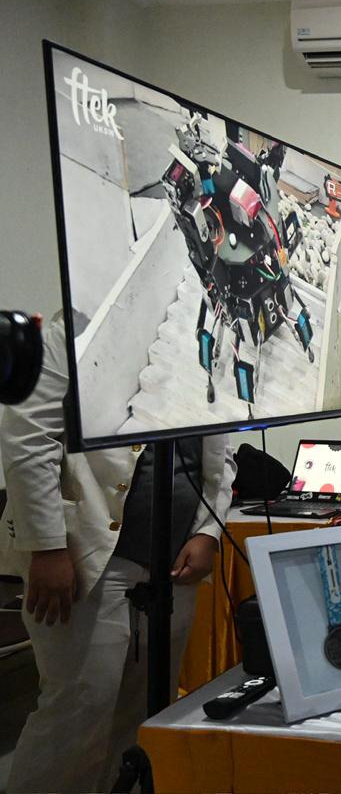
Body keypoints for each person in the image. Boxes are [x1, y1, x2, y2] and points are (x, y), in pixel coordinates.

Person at [0, 316, 236, 794]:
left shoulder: (205, 321)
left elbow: (222, 444)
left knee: (146, 711)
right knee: (78, 714)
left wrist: (209, 531)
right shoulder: (69, 331)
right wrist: (46, 547)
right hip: (85, 554)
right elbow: (27, 440)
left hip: (175, 560)